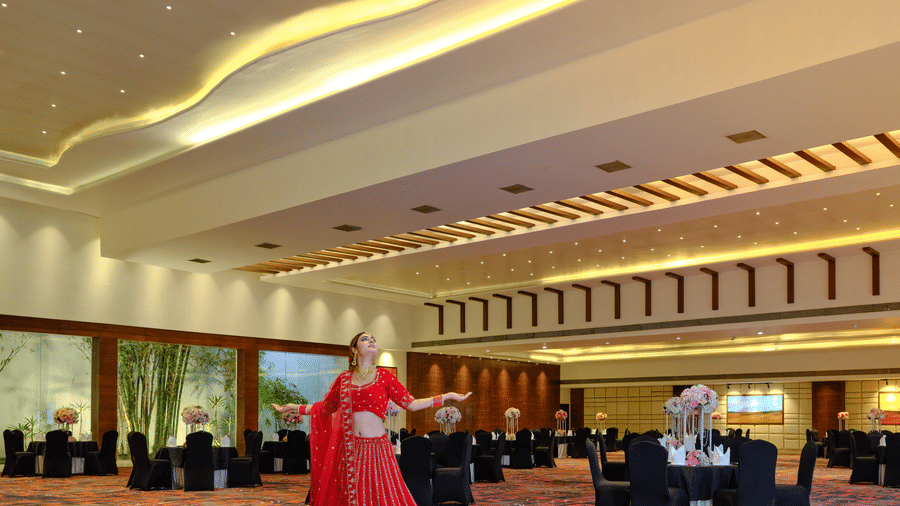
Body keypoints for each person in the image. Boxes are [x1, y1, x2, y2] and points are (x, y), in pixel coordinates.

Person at [273, 331, 472, 505]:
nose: (371, 341)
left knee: (384, 495)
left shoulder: (384, 377)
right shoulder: (343, 380)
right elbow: (325, 408)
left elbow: (411, 404)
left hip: (378, 449)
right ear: (353, 349)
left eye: (373, 339)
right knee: (352, 496)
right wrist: (294, 407)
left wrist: (445, 397)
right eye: (364, 339)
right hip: (351, 449)